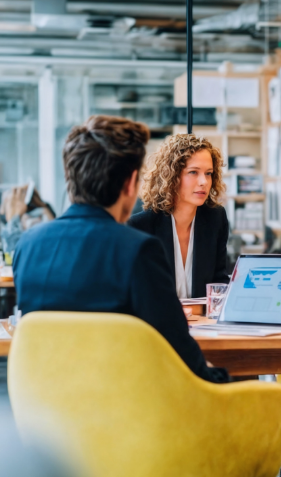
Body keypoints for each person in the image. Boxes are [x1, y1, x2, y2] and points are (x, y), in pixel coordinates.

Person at [13, 115, 229, 384]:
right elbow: (179, 352)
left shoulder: (27, 245)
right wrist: (224, 381)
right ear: (131, 183)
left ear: (70, 176)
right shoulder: (136, 248)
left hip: (42, 404)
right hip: (119, 405)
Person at [128, 134, 229, 299]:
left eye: (209, 173)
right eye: (193, 172)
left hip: (203, 322)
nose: (203, 181)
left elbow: (219, 282)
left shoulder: (215, 219)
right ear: (171, 176)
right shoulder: (140, 226)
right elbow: (138, 294)